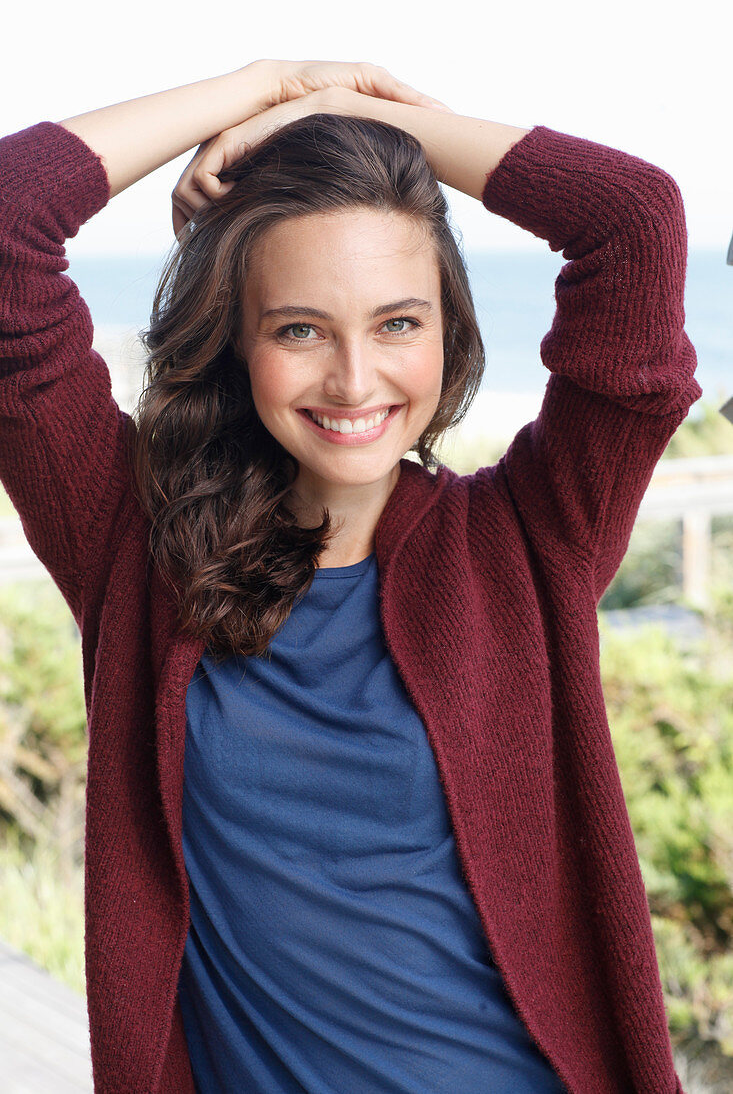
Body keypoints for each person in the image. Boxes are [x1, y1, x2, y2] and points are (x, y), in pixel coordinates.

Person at [0, 59, 702, 1094]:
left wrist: (348, 109)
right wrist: (258, 91)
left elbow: (635, 220)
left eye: (397, 321)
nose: (354, 379)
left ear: (448, 330)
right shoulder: (132, 544)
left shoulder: (529, 539)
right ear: (236, 340)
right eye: (299, 329)